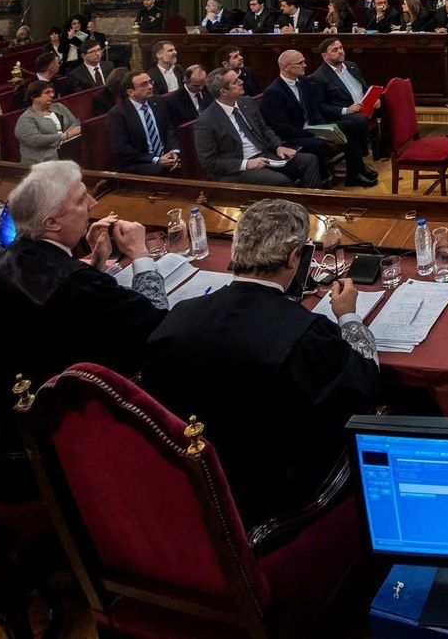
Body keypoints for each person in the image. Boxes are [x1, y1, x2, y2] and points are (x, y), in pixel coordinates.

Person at [142, 198, 379, 528]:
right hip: (273, 499)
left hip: (192, 490)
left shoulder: (180, 316)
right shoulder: (305, 335)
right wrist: (349, 315)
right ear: (296, 256)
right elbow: (365, 381)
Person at [0, 161, 168, 453]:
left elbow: (63, 319)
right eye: (81, 199)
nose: (93, 204)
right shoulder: (77, 286)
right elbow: (155, 325)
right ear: (51, 223)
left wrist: (95, 265)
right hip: (52, 441)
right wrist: (140, 255)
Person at [193, 67, 324, 186]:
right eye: (235, 82)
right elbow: (209, 163)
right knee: (280, 181)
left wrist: (278, 146)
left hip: (265, 154)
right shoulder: (205, 121)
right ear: (223, 92)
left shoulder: (247, 102)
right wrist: (246, 164)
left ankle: (314, 204)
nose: (241, 82)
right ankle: (293, 209)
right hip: (238, 167)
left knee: (310, 161)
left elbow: (265, 129)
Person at [260, 50, 346, 180]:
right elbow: (281, 128)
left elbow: (314, 109)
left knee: (346, 128)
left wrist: (325, 128)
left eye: (304, 61)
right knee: (318, 144)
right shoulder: (274, 93)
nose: (305, 65)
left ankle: (353, 172)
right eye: (300, 63)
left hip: (310, 128)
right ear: (286, 67)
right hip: (290, 137)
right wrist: (315, 134)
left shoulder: (304, 81)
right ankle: (323, 179)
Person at [306, 38, 378, 186]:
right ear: (325, 56)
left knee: (379, 108)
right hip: (336, 116)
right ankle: (355, 172)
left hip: (361, 109)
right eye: (335, 50)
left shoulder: (352, 66)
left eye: (341, 48)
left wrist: (373, 99)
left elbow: (364, 89)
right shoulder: (318, 78)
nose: (340, 51)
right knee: (355, 123)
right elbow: (322, 107)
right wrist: (347, 110)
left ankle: (370, 160)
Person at [107, 69, 182, 176]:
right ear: (130, 92)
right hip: (138, 162)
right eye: (144, 84)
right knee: (162, 170)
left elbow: (169, 130)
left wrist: (174, 152)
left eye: (150, 82)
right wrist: (156, 160)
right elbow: (122, 149)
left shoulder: (158, 101)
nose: (150, 86)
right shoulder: (117, 114)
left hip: (165, 156)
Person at [16, 80, 82, 164]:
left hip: (66, 151)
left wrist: (64, 140)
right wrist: (64, 136)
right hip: (41, 160)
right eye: (47, 92)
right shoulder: (26, 119)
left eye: (52, 92)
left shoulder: (59, 107)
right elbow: (35, 140)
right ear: (33, 96)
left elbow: (74, 123)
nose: (52, 95)